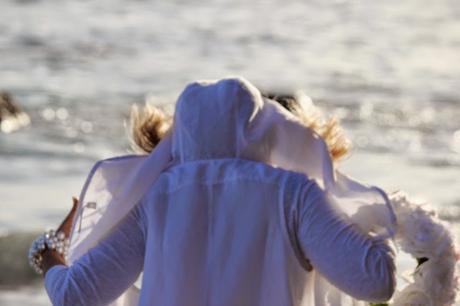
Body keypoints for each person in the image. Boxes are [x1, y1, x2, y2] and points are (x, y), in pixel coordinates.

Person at [31, 77, 396, 306]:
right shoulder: (294, 195)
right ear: (260, 130)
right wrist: (385, 223)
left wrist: (49, 254)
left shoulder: (155, 200)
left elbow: (74, 296)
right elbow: (376, 282)